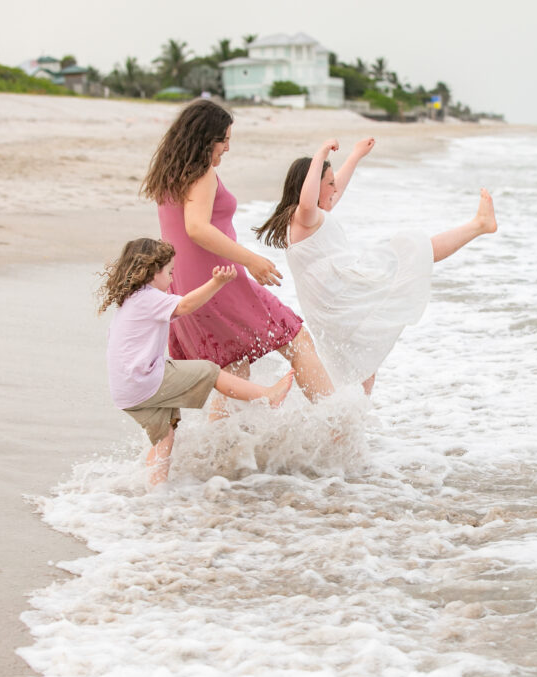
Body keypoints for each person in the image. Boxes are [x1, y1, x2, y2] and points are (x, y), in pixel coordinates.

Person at [254, 137, 497, 394]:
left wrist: (355, 156)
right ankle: (479, 225)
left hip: (337, 297)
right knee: (411, 250)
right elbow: (307, 200)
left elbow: (336, 188)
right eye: (329, 183)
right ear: (311, 186)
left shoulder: (311, 216)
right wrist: (321, 152)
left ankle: (354, 420)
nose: (335, 189)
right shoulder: (304, 216)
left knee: (362, 363)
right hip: (341, 295)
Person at [141, 100, 333, 418]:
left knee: (233, 367)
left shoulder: (170, 175)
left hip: (185, 289)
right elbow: (197, 228)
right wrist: (252, 260)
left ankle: (218, 455)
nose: (228, 147)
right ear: (206, 139)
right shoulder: (202, 174)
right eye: (225, 139)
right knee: (295, 338)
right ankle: (338, 424)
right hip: (218, 282)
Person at [98, 238, 294, 486]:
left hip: (127, 391)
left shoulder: (130, 301)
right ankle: (267, 396)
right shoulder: (147, 297)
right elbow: (185, 305)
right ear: (151, 272)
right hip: (144, 379)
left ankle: (154, 492)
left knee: (164, 436)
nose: (171, 279)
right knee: (209, 371)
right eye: (169, 272)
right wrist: (217, 282)